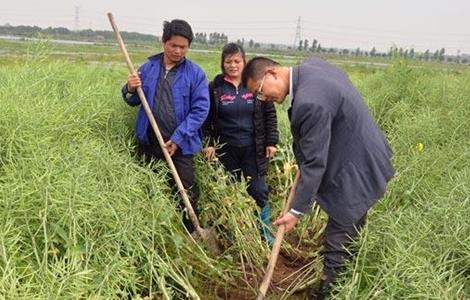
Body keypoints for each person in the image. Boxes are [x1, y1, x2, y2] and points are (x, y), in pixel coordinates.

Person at [242, 56, 394, 299]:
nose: (263, 99)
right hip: (362, 155)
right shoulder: (312, 67)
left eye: (260, 91)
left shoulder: (309, 102)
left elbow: (315, 162)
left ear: (272, 73)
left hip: (354, 172)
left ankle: (331, 292)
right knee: (347, 235)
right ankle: (342, 281)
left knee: (339, 240)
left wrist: (296, 211)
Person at [121, 19, 209, 234]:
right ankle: (150, 232)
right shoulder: (148, 68)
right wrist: (130, 88)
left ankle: (190, 233)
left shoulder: (195, 74)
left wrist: (178, 138)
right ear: (163, 42)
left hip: (180, 145)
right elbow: (133, 101)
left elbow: (200, 110)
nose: (178, 51)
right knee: (147, 188)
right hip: (149, 142)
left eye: (183, 47)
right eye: (173, 45)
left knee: (185, 191)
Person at [203, 43, 279, 243]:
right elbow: (207, 118)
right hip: (225, 149)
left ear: (244, 62)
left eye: (237, 61)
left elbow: (269, 114)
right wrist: (209, 143)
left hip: (252, 149)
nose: (233, 65)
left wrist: (271, 141)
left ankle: (264, 233)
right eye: (228, 61)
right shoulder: (215, 88)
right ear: (222, 63)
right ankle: (231, 233)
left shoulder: (254, 84)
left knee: (258, 190)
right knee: (227, 191)